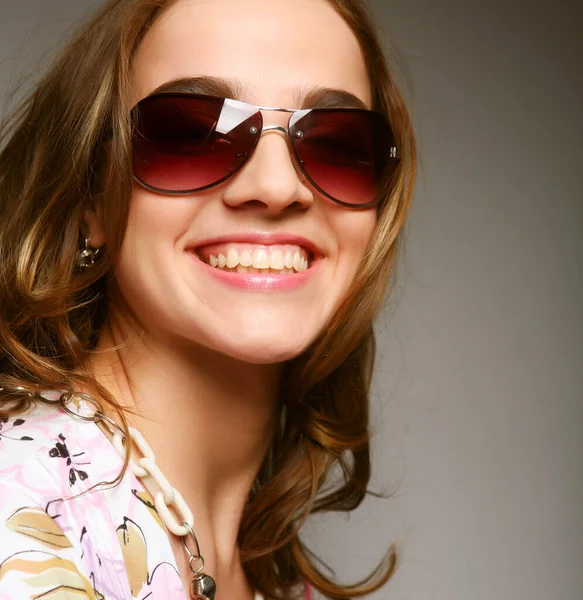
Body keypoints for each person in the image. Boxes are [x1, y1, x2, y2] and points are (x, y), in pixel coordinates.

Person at [0, 0, 417, 598]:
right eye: (192, 133)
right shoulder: (22, 515)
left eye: (335, 143)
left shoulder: (271, 579)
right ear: (90, 198)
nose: (276, 187)